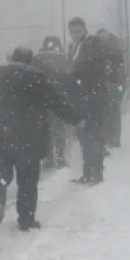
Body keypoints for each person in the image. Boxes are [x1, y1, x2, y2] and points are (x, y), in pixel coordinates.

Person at [0, 46, 83, 230]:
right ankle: (26, 219)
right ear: (30, 61)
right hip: (28, 137)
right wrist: (75, 119)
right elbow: (56, 102)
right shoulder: (37, 77)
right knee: (27, 180)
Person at [67, 17, 112, 185]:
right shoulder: (73, 47)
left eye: (77, 32)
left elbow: (95, 70)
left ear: (85, 29)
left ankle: (97, 173)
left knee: (94, 136)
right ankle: (87, 173)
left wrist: (76, 75)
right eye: (71, 32)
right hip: (81, 99)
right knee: (84, 138)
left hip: (93, 98)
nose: (74, 35)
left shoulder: (93, 44)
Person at [33, 36, 73, 169]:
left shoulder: (37, 59)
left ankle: (49, 158)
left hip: (43, 100)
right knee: (59, 129)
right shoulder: (63, 58)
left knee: (45, 130)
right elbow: (68, 78)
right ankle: (60, 157)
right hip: (58, 99)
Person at [96, 29, 126, 148]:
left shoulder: (104, 49)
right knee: (114, 112)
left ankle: (109, 138)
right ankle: (114, 139)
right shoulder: (116, 46)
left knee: (107, 112)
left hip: (109, 84)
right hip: (114, 84)